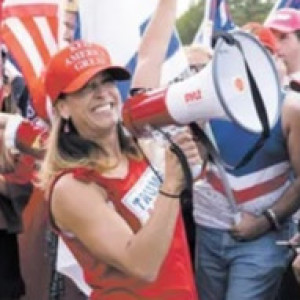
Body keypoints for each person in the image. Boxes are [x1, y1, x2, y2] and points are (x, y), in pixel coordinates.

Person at [36, 39, 198, 300]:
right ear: (63, 108)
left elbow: (149, 57)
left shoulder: (138, 150)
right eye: (86, 88)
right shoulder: (72, 187)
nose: (102, 94)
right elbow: (142, 265)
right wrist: (171, 186)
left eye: (107, 82)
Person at [192, 22, 300, 300]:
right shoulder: (205, 105)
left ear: (272, 59)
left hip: (262, 240)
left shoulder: (291, 109)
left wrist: (266, 221)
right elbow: (198, 165)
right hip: (209, 232)